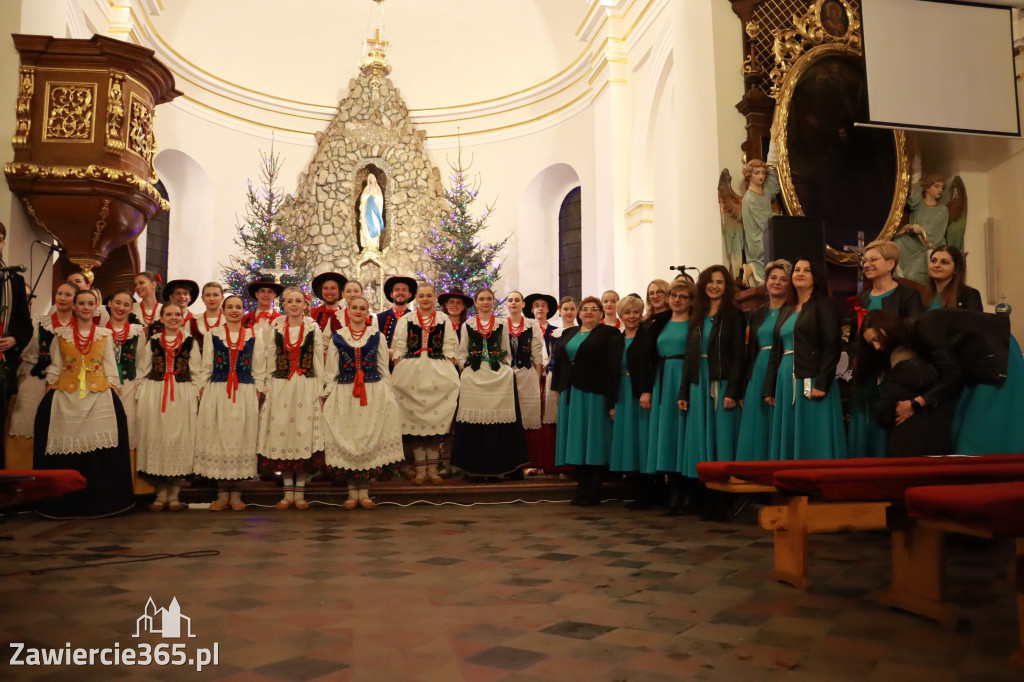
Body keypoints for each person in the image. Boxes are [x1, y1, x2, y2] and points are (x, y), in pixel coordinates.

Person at [861, 309, 1024, 456]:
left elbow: (952, 374)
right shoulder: (912, 334)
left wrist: (915, 404)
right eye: (871, 343)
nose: (876, 347)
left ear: (887, 328)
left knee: (982, 432)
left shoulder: (921, 327)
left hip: (995, 352)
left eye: (876, 339)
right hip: (976, 362)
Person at [33, 289, 134, 518]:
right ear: (75, 307)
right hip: (67, 394)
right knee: (65, 447)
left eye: (90, 303)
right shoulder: (61, 334)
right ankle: (63, 502)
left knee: (100, 451)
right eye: (82, 303)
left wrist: (114, 391)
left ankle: (101, 500)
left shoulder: (104, 334)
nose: (86, 307)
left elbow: (110, 365)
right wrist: (49, 392)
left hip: (98, 394)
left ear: (96, 306)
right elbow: (56, 365)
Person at [321, 295, 404, 508]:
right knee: (349, 436)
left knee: (368, 436)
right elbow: (331, 371)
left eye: (363, 308)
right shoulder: (337, 336)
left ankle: (364, 491)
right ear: (347, 310)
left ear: (368, 312)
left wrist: (388, 394)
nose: (358, 311)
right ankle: (351, 492)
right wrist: (328, 395)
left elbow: (383, 368)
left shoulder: (377, 336)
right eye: (354, 308)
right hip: (344, 393)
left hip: (372, 391)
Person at [679, 266, 745, 519]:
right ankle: (702, 498)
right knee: (700, 441)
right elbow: (689, 355)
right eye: (710, 281)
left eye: (720, 282)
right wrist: (683, 390)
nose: (715, 286)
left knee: (721, 441)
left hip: (721, 380)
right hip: (698, 382)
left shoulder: (734, 316)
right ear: (703, 285)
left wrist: (732, 389)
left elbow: (739, 355)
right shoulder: (697, 315)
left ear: (726, 287)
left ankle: (723, 501)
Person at [765, 258, 847, 460]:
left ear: (815, 277)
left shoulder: (823, 305)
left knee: (813, 432)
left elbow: (832, 345)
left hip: (811, 377)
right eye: (797, 270)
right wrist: (770, 387)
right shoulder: (787, 310)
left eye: (807, 270)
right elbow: (776, 352)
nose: (800, 273)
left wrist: (822, 383)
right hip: (786, 379)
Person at [848, 240, 924, 457]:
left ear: (891, 264)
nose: (867, 264)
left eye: (874, 259)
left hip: (894, 375)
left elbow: (914, 335)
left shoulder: (908, 295)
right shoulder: (863, 297)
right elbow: (856, 334)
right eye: (865, 261)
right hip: (867, 374)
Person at [255, 286, 324, 509]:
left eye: (298, 301)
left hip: (306, 385)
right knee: (283, 434)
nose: (293, 305)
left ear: (305, 305)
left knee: (302, 433)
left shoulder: (313, 327)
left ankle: (300, 492)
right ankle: (287, 492)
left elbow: (318, 360)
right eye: (289, 301)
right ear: (283, 305)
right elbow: (269, 357)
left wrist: (321, 390)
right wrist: (266, 388)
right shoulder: (275, 326)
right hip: (281, 385)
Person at [195, 294, 265, 511]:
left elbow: (260, 368)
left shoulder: (255, 335)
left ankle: (237, 493)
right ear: (223, 310)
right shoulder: (212, 334)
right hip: (218, 392)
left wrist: (257, 394)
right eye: (230, 307)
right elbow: (206, 368)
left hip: (245, 392)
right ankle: (222, 493)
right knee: (219, 437)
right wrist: (204, 395)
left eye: (239, 306)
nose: (234, 310)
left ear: (244, 310)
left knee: (241, 438)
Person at [551, 296, 622, 505]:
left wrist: (612, 399)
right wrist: (557, 389)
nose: (589, 312)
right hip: (570, 393)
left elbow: (612, 368)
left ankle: (594, 489)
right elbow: (560, 364)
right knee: (576, 440)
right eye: (585, 309)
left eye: (594, 309)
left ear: (601, 314)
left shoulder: (609, 333)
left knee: (594, 440)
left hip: (594, 393)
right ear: (579, 313)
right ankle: (581, 487)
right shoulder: (568, 333)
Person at [451, 288, 529, 479]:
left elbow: (506, 352)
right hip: (474, 374)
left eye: (489, 299)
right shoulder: (468, 324)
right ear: (476, 303)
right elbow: (462, 353)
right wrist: (465, 368)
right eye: (481, 299)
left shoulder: (502, 324)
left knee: (501, 416)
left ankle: (500, 466)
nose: (485, 302)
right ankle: (473, 467)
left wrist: (505, 367)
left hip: (497, 373)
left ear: (493, 302)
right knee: (473, 419)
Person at [134, 301, 201, 510]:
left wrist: (194, 394)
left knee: (179, 438)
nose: (173, 318)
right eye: (169, 314)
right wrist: (142, 393)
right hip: (156, 393)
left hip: (181, 394)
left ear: (183, 318)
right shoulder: (153, 341)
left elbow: (197, 371)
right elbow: (143, 370)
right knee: (158, 438)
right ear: (161, 318)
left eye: (177, 314)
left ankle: (175, 495)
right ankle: (160, 495)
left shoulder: (190, 341)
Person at [391, 283, 460, 484]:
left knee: (435, 422)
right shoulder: (407, 320)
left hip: (438, 373)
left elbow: (450, 347)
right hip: (411, 374)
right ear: (416, 298)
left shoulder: (443, 319)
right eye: (421, 296)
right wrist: (397, 373)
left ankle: (433, 469)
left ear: (434, 297)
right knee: (416, 423)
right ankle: (421, 470)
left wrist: (449, 372)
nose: (425, 299)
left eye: (429, 295)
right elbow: (399, 347)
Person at [7, 282, 78, 469]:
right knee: (25, 425)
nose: (62, 297)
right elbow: (30, 352)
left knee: (60, 430)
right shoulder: (41, 322)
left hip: (67, 384)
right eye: (59, 293)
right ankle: (20, 473)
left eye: (68, 295)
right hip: (38, 378)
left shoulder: (79, 326)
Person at [643, 281, 694, 513]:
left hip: (684, 379)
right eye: (673, 295)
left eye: (683, 297)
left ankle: (689, 494)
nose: (677, 300)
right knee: (667, 435)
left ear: (691, 300)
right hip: (662, 380)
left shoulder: (695, 323)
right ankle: (673, 492)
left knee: (684, 434)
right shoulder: (660, 323)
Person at [736, 260, 792, 462]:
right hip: (757, 371)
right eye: (773, 278)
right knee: (755, 425)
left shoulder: (792, 312)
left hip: (780, 369)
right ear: (766, 281)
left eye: (783, 279)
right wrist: (743, 387)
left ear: (789, 284)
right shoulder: (756, 313)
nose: (777, 282)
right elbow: (748, 351)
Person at [609, 295, 654, 503]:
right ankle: (635, 489)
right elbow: (608, 373)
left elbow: (651, 367)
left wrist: (647, 391)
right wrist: (611, 403)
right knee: (628, 440)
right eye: (627, 312)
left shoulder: (647, 337)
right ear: (620, 315)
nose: (632, 316)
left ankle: (648, 491)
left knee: (643, 439)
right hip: (622, 394)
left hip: (640, 393)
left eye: (636, 312)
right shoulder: (616, 340)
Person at [874, 345, 951, 457]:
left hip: (905, 444)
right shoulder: (937, 380)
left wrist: (894, 417)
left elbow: (882, 412)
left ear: (896, 365)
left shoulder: (898, 381)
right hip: (938, 443)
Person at [0, 221, 32, 469]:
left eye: (0, 239)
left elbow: (25, 324)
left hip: (3, 364)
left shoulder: (14, 280)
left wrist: (14, 340)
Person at [105, 291, 145, 478]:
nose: (121, 308)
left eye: (126, 304)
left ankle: (129, 481)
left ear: (131, 308)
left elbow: (141, 363)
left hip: (129, 386)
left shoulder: (137, 332)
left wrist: (137, 388)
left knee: (129, 429)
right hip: (103, 387)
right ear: (110, 303)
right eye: (117, 303)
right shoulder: (99, 331)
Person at [505, 292, 544, 465]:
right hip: (506, 376)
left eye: (517, 300)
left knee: (528, 417)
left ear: (523, 304)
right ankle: (510, 461)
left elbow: (537, 354)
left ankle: (530, 462)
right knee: (509, 416)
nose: (513, 303)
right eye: (510, 300)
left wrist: (536, 378)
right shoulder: (500, 324)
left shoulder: (531, 324)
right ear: (506, 304)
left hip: (527, 373)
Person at [524, 293, 559, 472]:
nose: (539, 308)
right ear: (531, 310)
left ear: (548, 309)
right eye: (536, 305)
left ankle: (547, 461)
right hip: (530, 377)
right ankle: (531, 461)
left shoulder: (556, 331)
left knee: (547, 421)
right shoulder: (525, 329)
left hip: (549, 378)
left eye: (543, 305)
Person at [894, 174, 949, 284]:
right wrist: (919, 182)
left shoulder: (942, 209)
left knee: (912, 274)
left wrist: (910, 226)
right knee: (897, 243)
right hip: (914, 241)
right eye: (937, 186)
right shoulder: (918, 206)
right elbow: (912, 200)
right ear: (927, 188)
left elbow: (931, 231)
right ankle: (897, 277)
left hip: (930, 246)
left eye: (942, 187)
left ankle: (908, 283)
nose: (940, 190)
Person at [740, 142, 781, 288]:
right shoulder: (750, 198)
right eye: (756, 173)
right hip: (758, 240)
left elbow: (773, 177)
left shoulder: (764, 192)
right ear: (749, 176)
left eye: (762, 173)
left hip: (766, 234)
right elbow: (764, 221)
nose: (761, 176)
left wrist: (774, 141)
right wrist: (779, 218)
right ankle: (752, 267)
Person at [923, 245, 982, 311]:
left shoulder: (969, 295)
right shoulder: (922, 294)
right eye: (933, 261)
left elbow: (974, 320)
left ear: (956, 269)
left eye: (944, 262)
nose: (937, 265)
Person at [377, 275, 415, 348]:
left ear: (409, 295)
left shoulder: (415, 318)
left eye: (404, 290)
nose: (400, 292)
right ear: (391, 294)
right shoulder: (380, 318)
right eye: (397, 290)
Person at [190, 282, 226, 352]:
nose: (211, 299)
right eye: (207, 295)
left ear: (222, 298)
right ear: (202, 298)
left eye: (216, 295)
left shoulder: (228, 321)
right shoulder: (193, 321)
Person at [359, 174, 385, 251]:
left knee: (376, 226)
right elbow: (362, 200)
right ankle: (367, 245)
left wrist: (374, 196)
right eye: (370, 178)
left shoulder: (378, 190)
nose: (372, 179)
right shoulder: (366, 190)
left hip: (375, 212)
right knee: (366, 227)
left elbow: (381, 200)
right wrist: (369, 195)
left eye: (373, 178)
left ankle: (374, 246)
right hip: (367, 212)